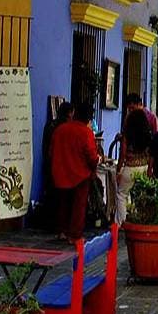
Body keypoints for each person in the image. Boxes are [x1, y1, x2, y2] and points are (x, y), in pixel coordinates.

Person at [51, 102, 100, 241]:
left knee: (63, 205)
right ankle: (75, 235)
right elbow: (91, 157)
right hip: (80, 174)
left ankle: (62, 231)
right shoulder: (86, 132)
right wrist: (97, 161)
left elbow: (51, 151)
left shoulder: (60, 129)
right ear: (89, 118)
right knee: (78, 206)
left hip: (60, 172)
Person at [117, 95, 152, 223]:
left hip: (130, 167)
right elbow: (150, 150)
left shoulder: (128, 132)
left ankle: (121, 222)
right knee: (139, 195)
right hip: (144, 166)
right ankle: (139, 220)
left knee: (121, 195)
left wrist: (118, 169)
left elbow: (122, 153)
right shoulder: (146, 130)